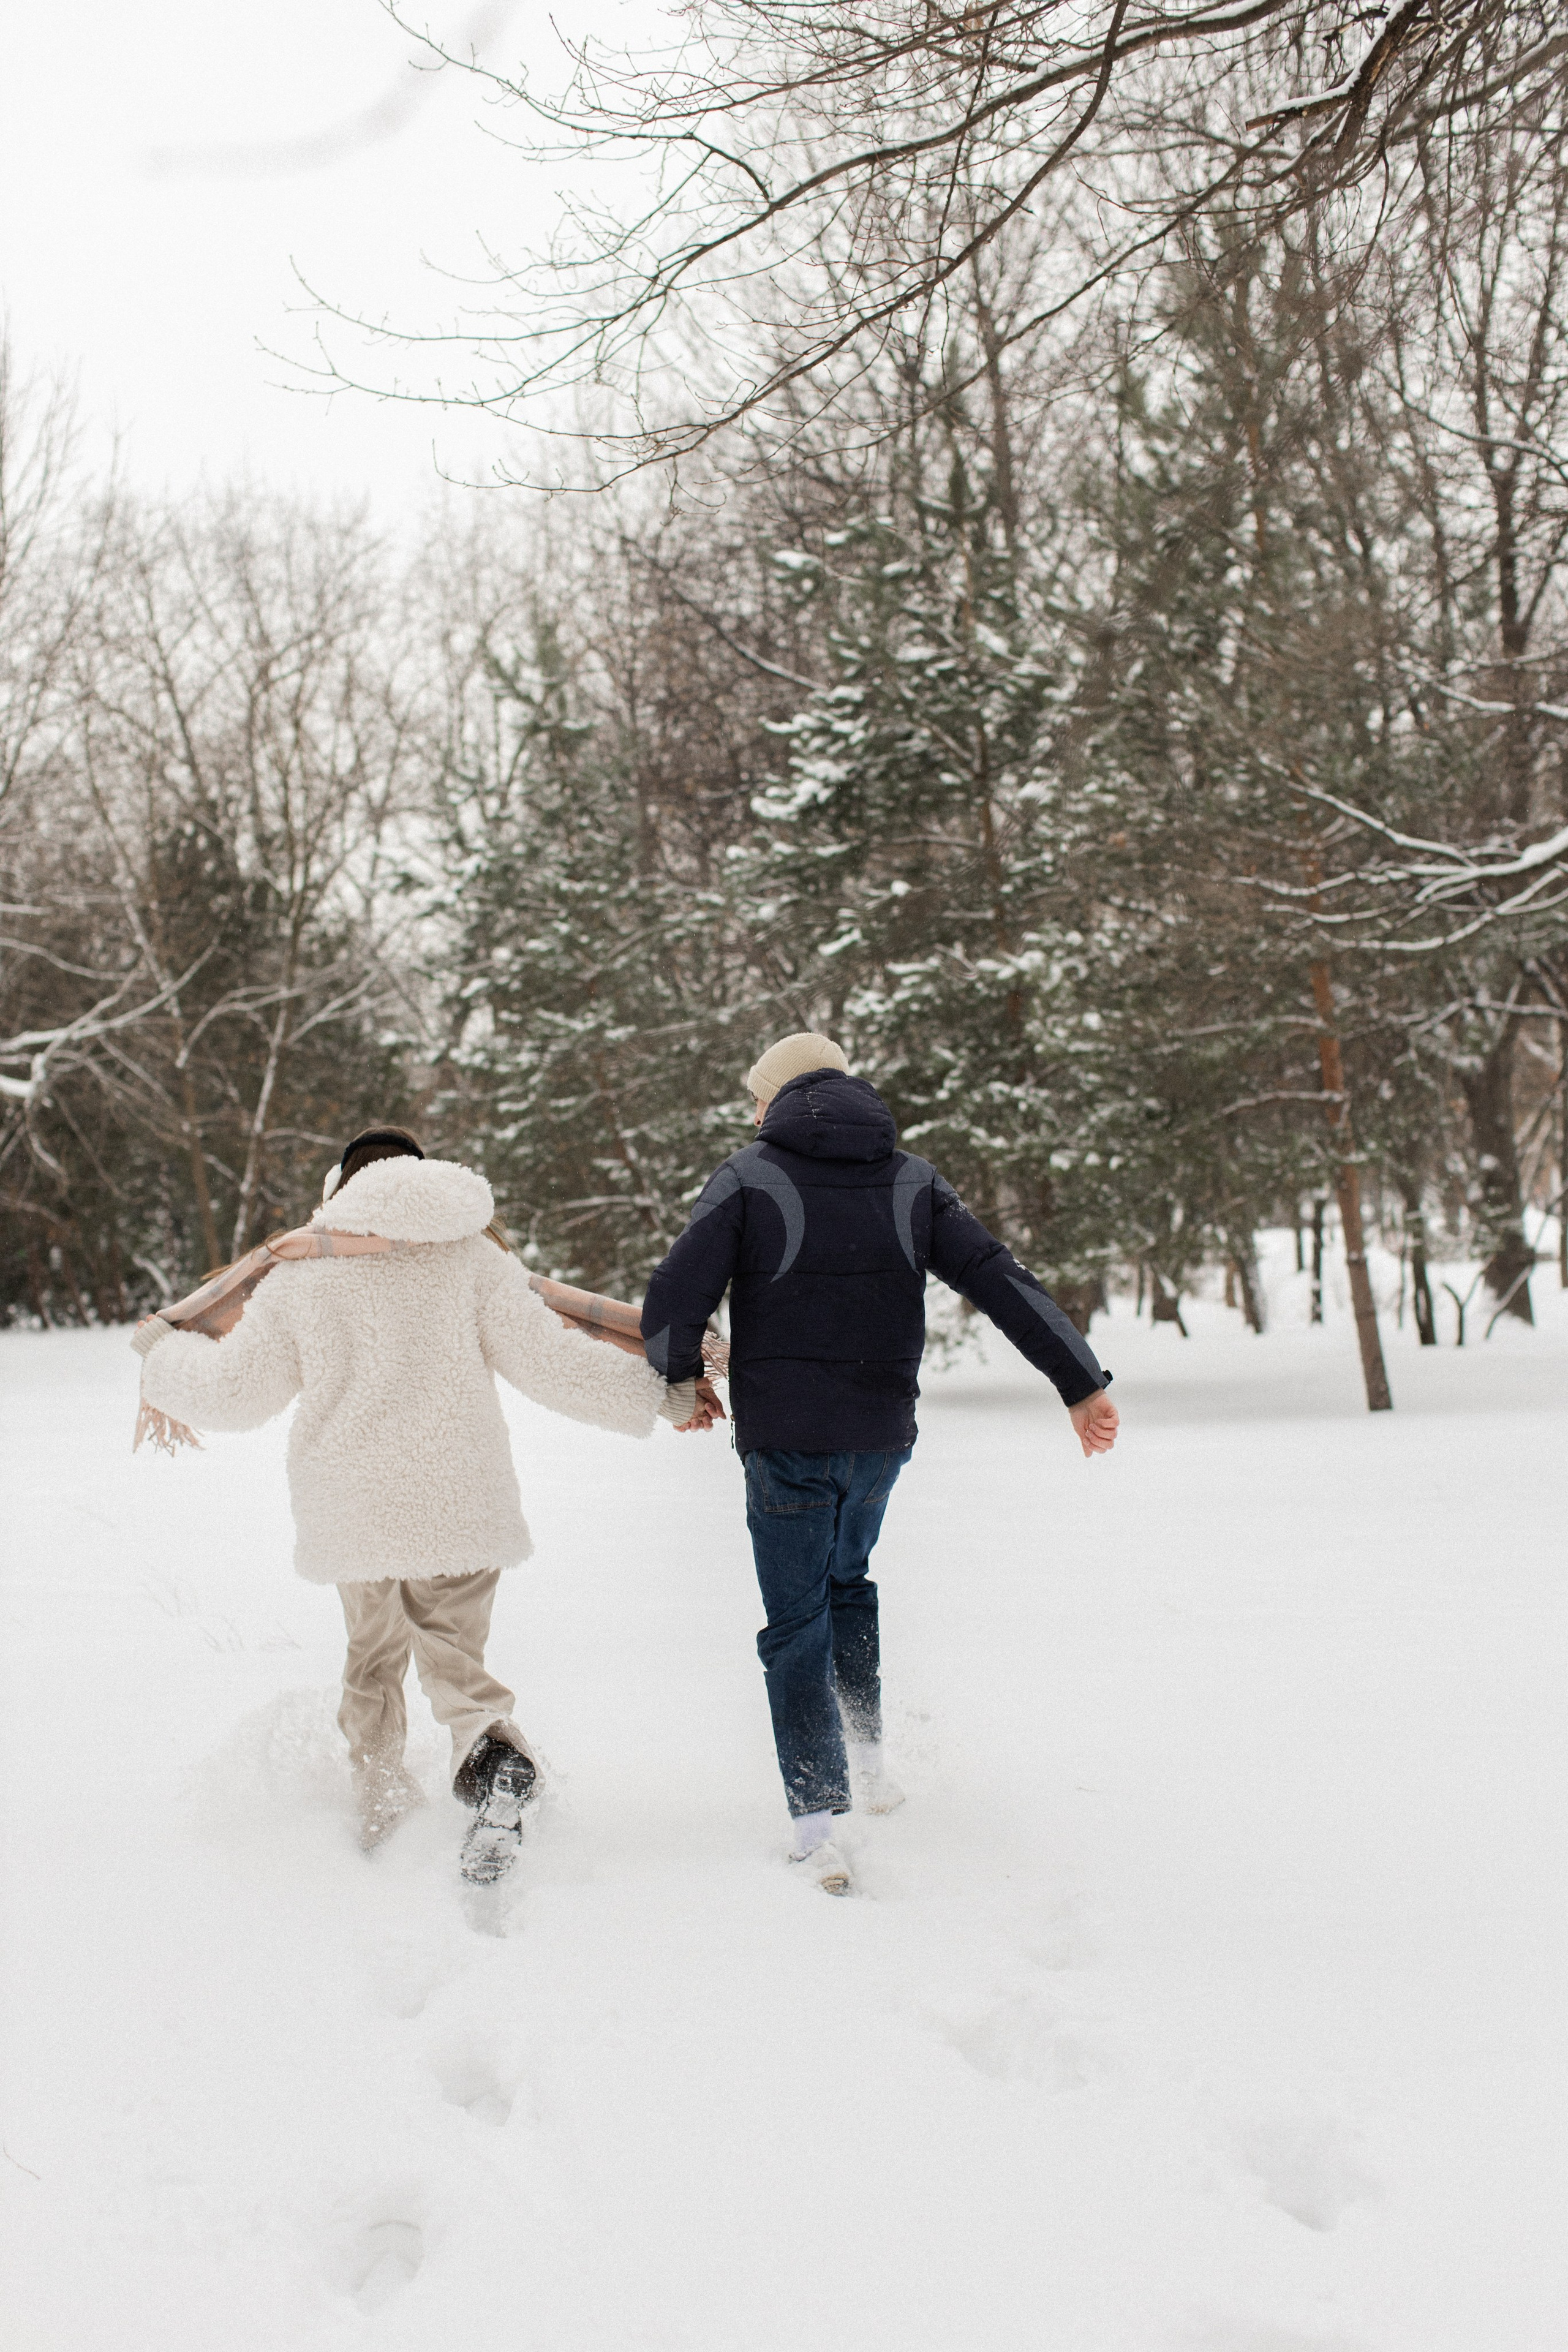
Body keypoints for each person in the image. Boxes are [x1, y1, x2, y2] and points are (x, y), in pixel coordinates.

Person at [132, 1126, 703, 1882]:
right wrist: (655, 1393)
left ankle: (377, 1802)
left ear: (341, 1188)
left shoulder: (301, 1273)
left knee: (371, 1659)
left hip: (352, 1508)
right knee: (456, 1657)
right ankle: (489, 1750)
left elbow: (237, 1392)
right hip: (460, 1501)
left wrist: (163, 1358)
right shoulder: (473, 1260)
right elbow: (550, 1361)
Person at [642, 1035, 1119, 1895]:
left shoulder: (749, 1177)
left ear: (779, 1096)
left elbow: (680, 1288)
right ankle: (870, 1763)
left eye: (758, 1098)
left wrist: (680, 1381)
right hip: (878, 1443)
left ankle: (816, 1825)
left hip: (786, 1443)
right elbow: (999, 1277)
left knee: (795, 1622)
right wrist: (1078, 1381)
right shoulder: (913, 1180)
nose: (754, 1115)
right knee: (847, 1583)